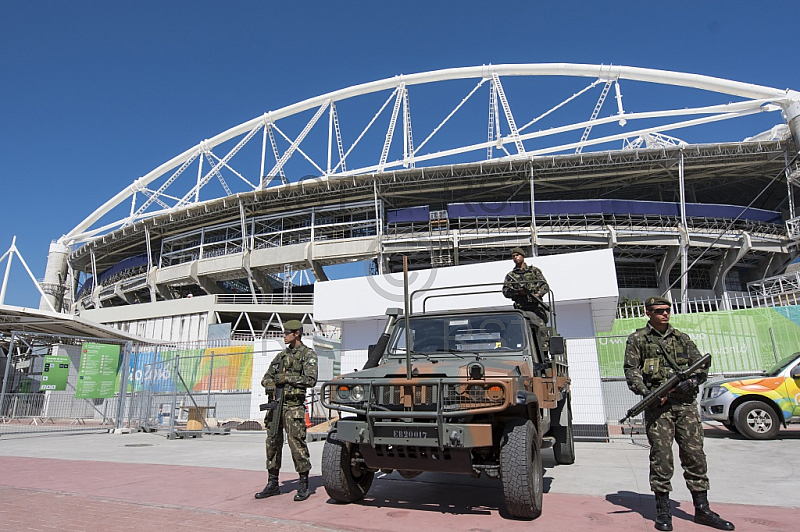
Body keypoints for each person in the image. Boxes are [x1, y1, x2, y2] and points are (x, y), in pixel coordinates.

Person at [624, 296, 734, 531]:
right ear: (648, 313)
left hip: (685, 407)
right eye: (659, 311)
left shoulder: (681, 338)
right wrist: (647, 393)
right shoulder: (638, 339)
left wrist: (692, 381)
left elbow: (702, 365)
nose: (665, 314)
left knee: (694, 456)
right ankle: (663, 511)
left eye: (667, 310)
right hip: (659, 408)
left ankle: (702, 509)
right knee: (661, 458)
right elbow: (631, 370)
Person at [255, 320, 318, 502]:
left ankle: (304, 484)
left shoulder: (308, 355)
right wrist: (272, 383)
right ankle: (272, 483)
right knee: (272, 443)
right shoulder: (281, 356)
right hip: (276, 406)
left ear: (296, 334)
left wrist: (286, 378)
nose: (284, 335)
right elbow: (266, 378)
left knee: (297, 444)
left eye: (287, 333)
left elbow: (310, 379)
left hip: (293, 406)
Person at [502, 247, 550, 326]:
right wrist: (518, 292)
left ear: (523, 256)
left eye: (517, 255)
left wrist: (538, 295)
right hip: (521, 308)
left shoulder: (534, 271)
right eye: (513, 256)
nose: (515, 257)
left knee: (541, 330)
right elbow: (505, 292)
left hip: (536, 306)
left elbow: (545, 286)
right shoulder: (511, 275)